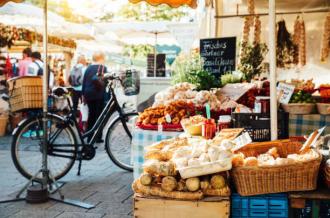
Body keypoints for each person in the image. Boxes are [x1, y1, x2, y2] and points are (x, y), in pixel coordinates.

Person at [82, 52, 107, 143]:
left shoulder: (88, 68)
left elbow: (84, 82)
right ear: (101, 58)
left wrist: (83, 95)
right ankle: (98, 137)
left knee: (91, 116)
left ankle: (89, 137)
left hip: (88, 95)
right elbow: (106, 83)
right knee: (100, 116)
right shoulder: (103, 68)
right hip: (99, 95)